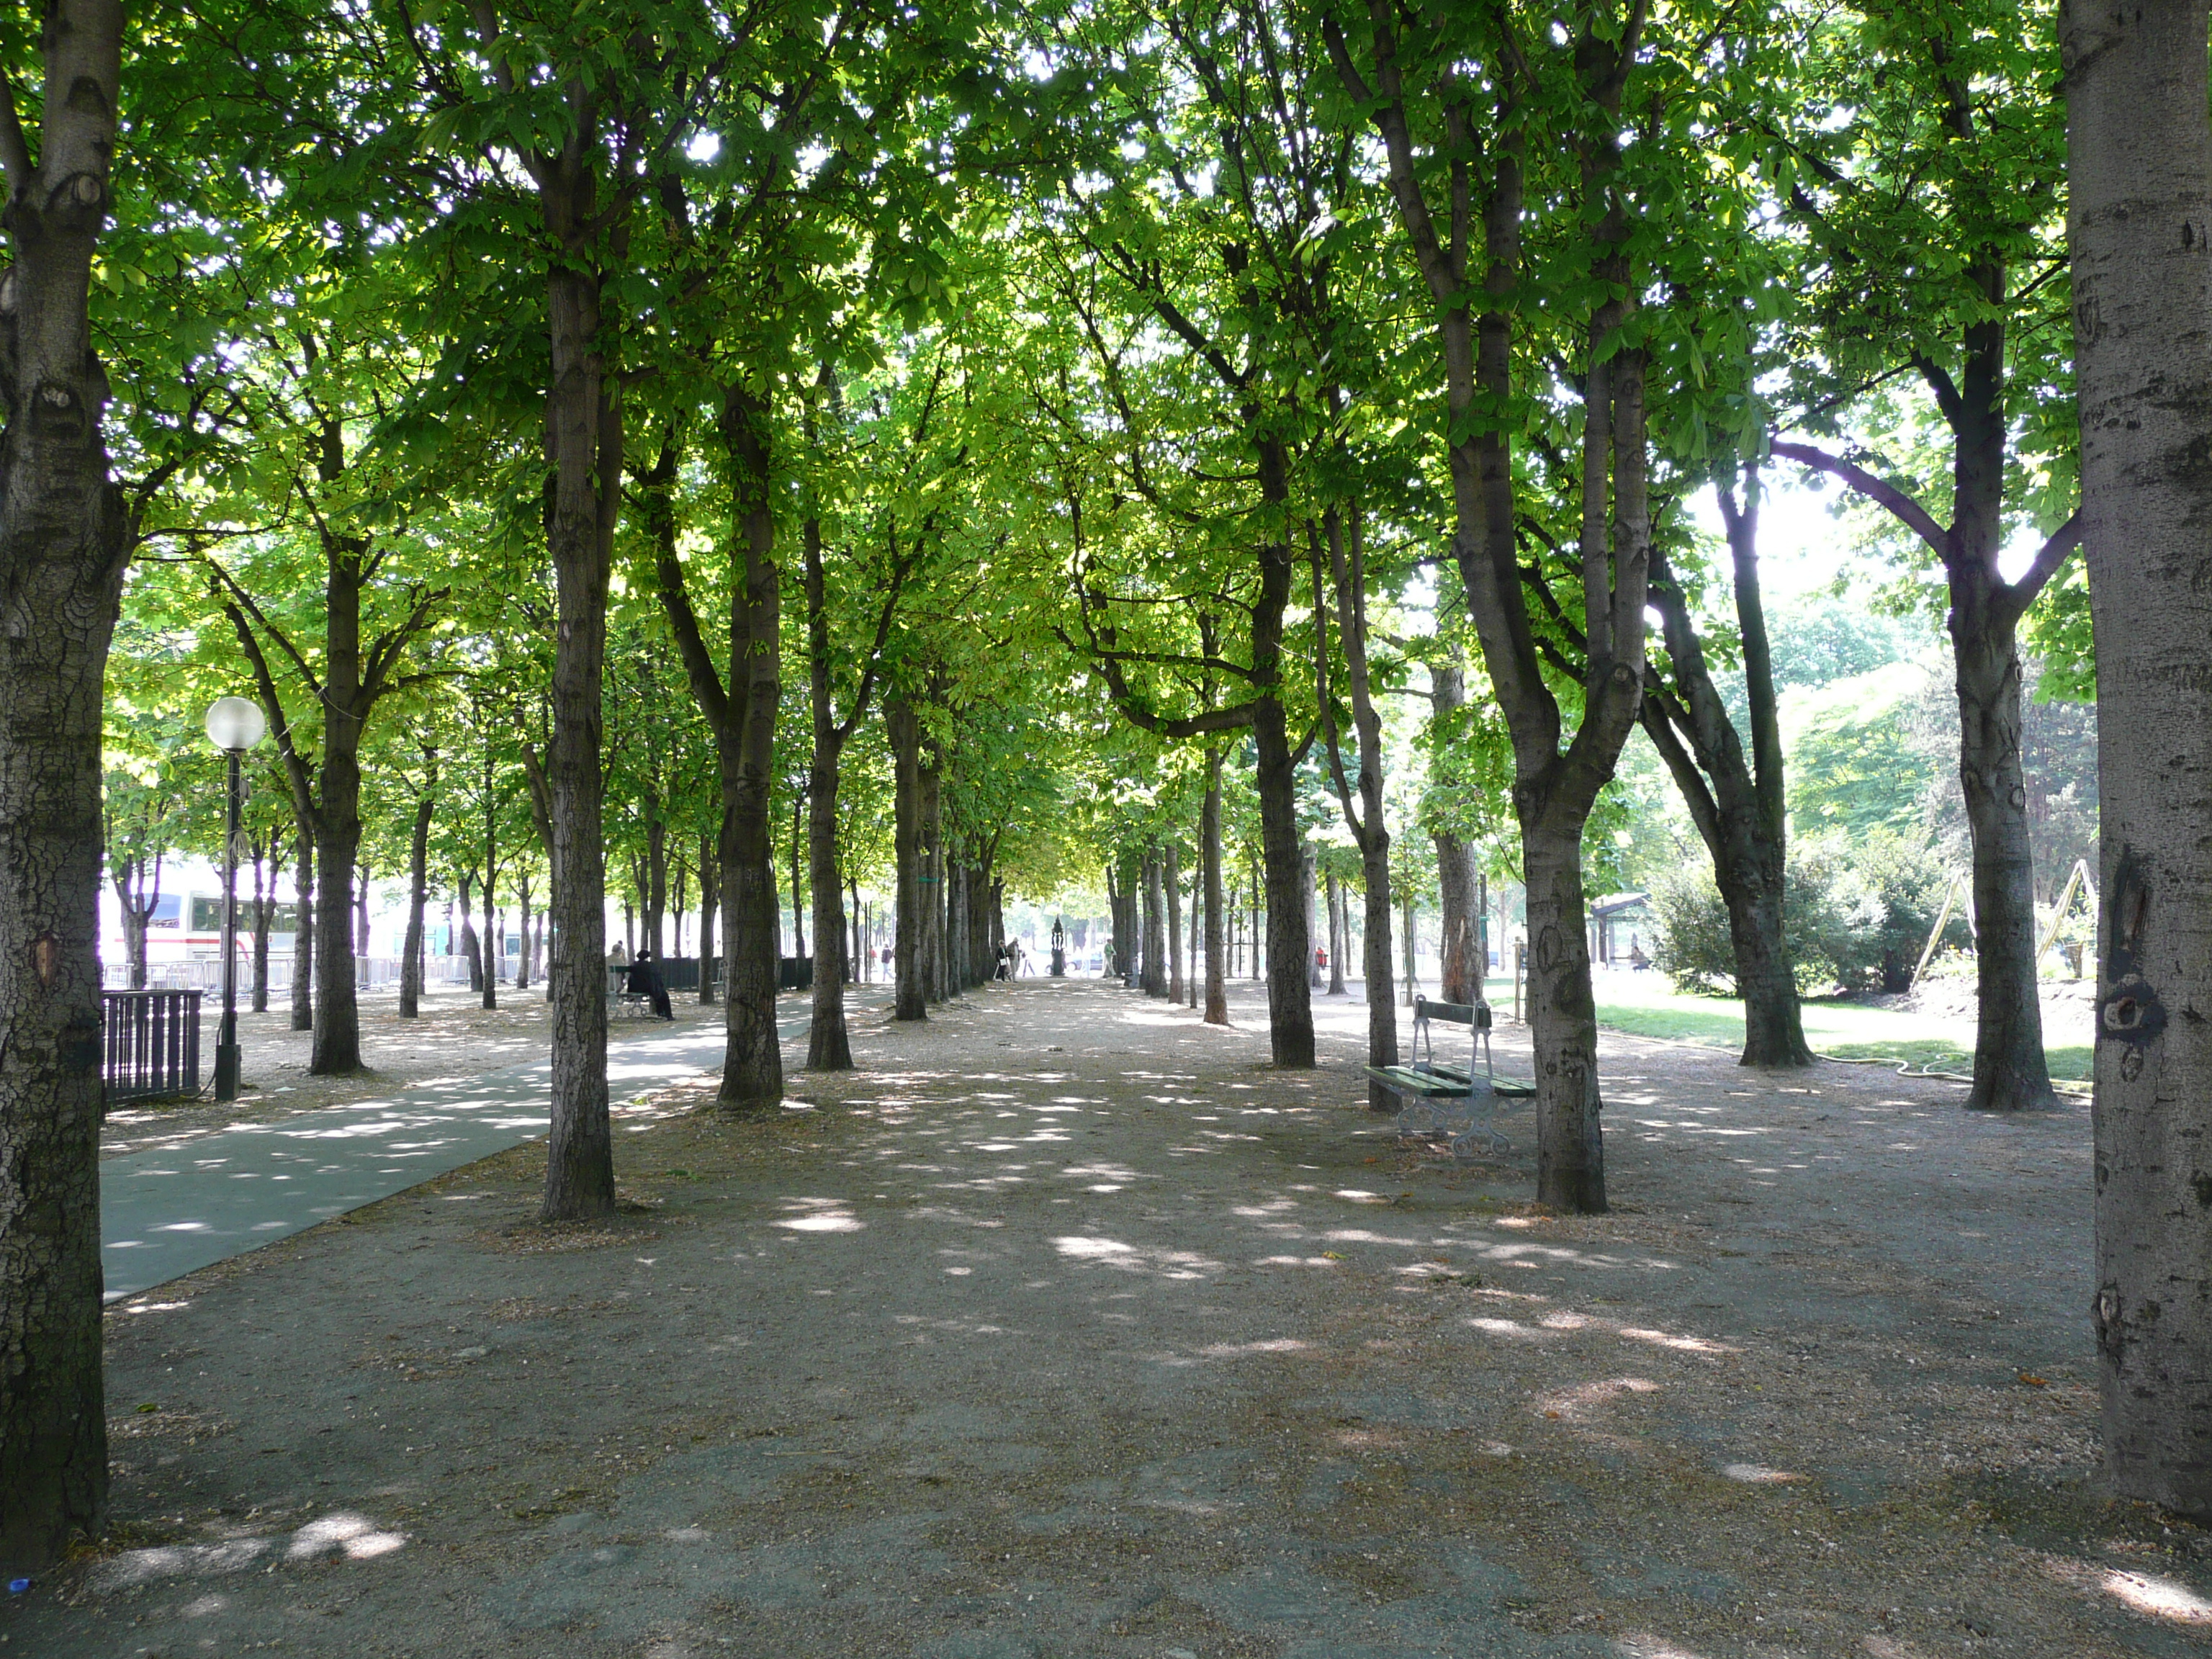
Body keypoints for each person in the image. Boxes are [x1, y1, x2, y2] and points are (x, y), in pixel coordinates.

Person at [626, 945, 674, 1020]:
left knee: (661, 994)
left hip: (637, 987)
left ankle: (661, 1013)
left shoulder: (635, 965)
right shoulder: (649, 965)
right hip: (647, 987)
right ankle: (666, 1014)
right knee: (663, 995)